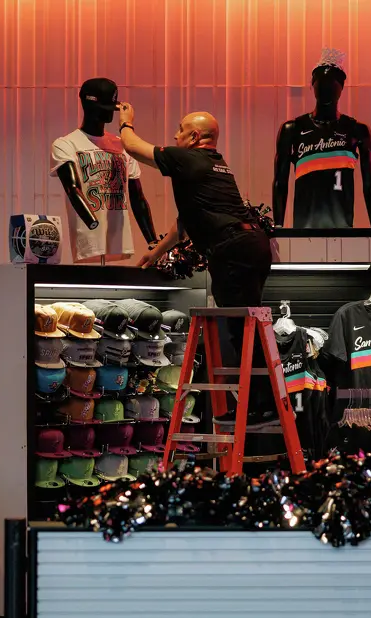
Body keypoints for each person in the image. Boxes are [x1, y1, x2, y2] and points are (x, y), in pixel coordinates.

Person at [117, 103, 276, 426]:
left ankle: (259, 407)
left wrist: (126, 123)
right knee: (242, 325)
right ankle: (255, 404)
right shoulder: (216, 165)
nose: (174, 135)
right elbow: (185, 225)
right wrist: (156, 252)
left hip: (233, 249)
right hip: (251, 245)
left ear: (193, 136)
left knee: (241, 329)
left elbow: (133, 148)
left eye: (179, 129)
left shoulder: (186, 157)